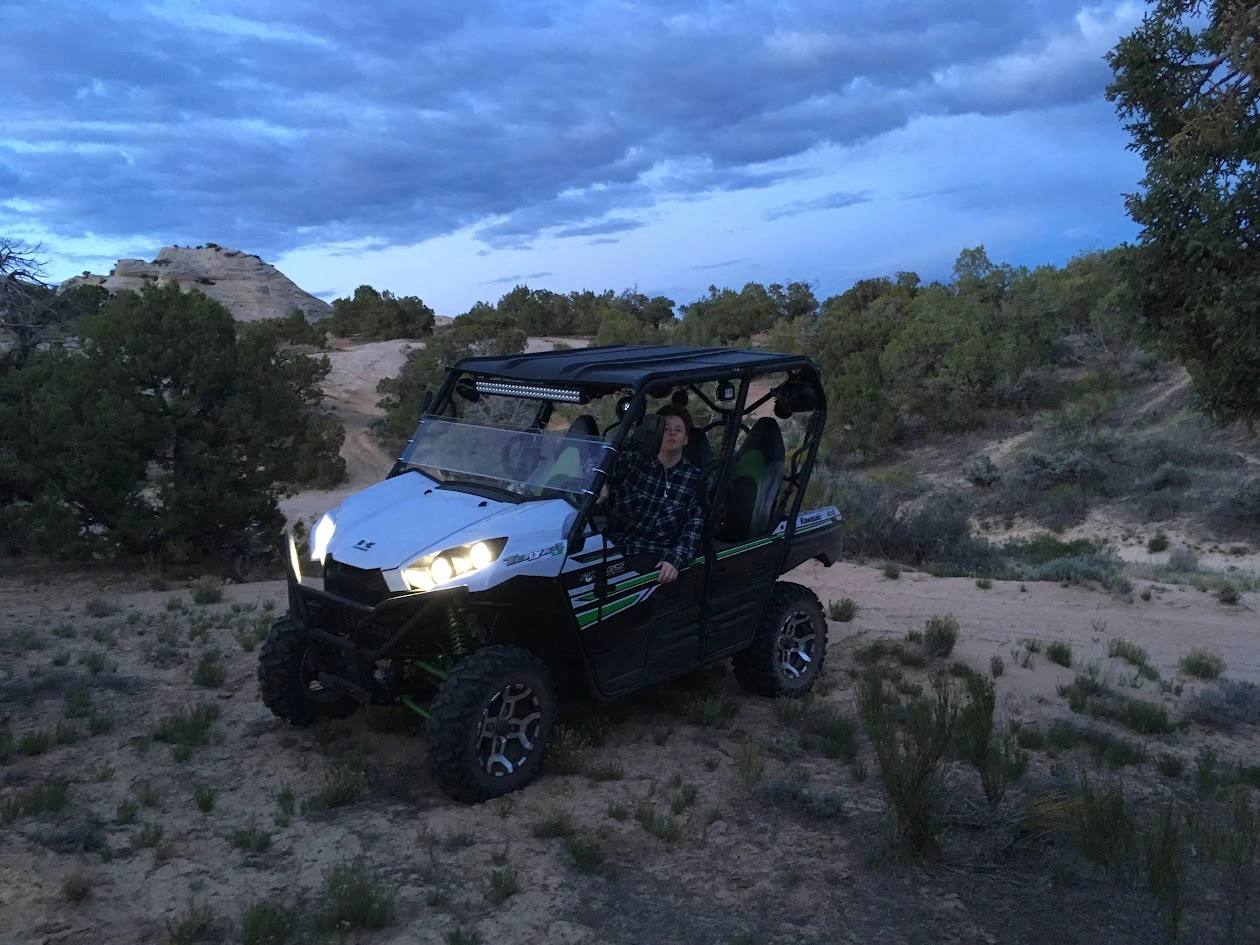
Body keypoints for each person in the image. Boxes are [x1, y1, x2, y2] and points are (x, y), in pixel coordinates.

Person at [598, 403, 704, 584]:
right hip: (614, 542)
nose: (671, 433)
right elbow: (596, 461)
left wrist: (676, 559)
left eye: (678, 430)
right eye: (666, 429)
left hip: (654, 552)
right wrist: (599, 481)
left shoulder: (694, 479)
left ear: (686, 439)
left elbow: (693, 526)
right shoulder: (634, 460)